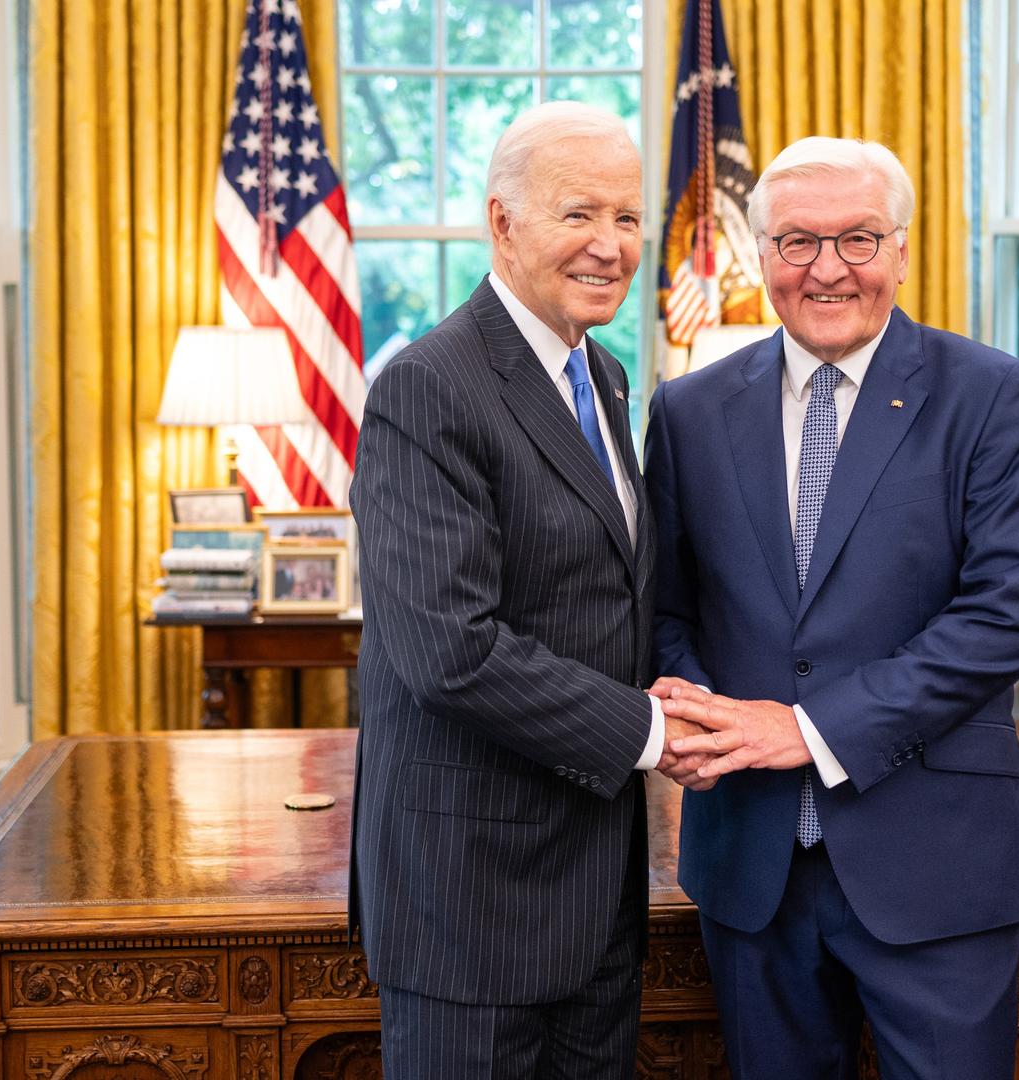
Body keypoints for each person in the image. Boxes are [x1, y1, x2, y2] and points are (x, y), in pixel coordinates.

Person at [644, 136, 1019, 1078]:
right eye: (796, 242)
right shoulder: (689, 411)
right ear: (762, 257)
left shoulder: (991, 394)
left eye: (859, 239)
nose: (827, 269)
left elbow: (1009, 615)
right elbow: (666, 610)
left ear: (903, 251)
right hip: (749, 872)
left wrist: (805, 728)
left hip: (937, 867)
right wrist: (706, 720)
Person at [348, 101, 687, 1079]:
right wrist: (653, 735)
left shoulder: (606, 374)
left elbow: (606, 596)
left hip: (595, 890)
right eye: (579, 214)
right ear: (502, 222)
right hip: (473, 907)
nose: (611, 246)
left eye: (628, 218)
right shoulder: (428, 387)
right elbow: (451, 652)